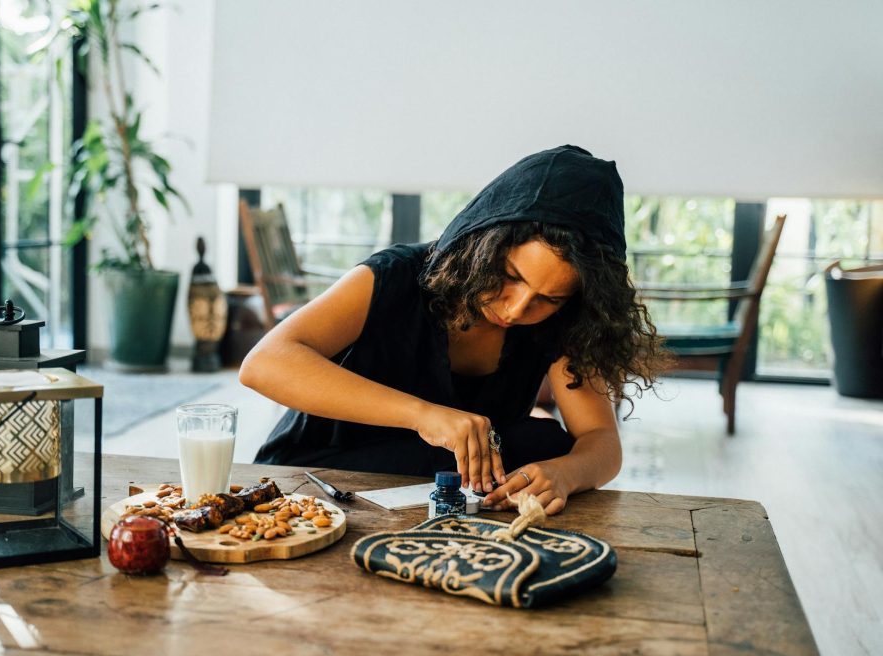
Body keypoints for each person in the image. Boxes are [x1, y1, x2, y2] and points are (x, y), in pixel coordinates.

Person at [239, 145, 664, 515]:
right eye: (511, 275)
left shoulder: (566, 321)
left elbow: (601, 440)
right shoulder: (396, 275)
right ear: (485, 243)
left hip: (436, 489)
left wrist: (566, 474)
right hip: (324, 472)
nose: (517, 309)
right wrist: (423, 416)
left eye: (547, 299)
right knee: (531, 441)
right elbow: (263, 364)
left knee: (545, 445)